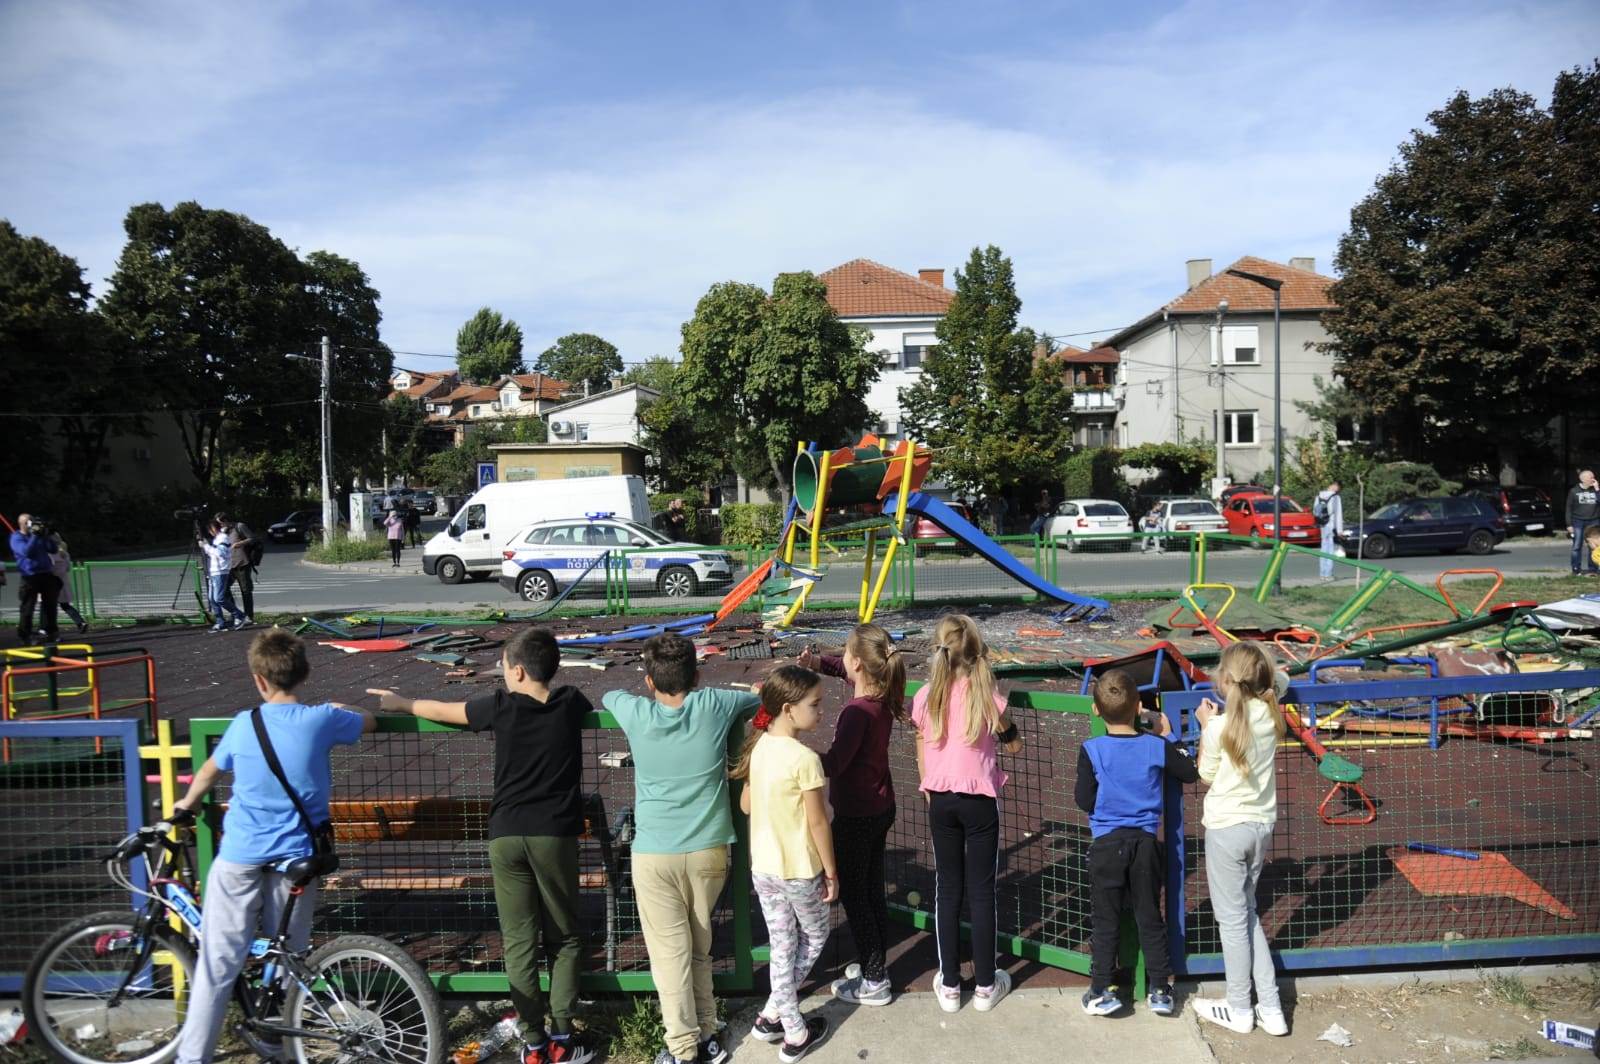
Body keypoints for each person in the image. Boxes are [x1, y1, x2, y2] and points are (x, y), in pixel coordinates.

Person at [368, 629, 596, 1064]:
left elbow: (442, 710)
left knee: (519, 939)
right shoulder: (571, 702)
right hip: (554, 833)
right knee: (564, 936)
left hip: (506, 833)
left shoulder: (500, 706)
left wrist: (401, 703)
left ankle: (533, 1041)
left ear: (518, 671)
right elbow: (578, 707)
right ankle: (563, 1037)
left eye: (503, 667)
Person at [170, 629, 375, 1064]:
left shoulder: (244, 724)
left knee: (217, 964)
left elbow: (208, 772)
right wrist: (341, 706)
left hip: (241, 854)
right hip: (297, 857)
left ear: (258, 679)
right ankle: (280, 1041)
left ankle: (193, 1057)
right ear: (304, 673)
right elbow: (369, 720)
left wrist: (186, 805)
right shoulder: (321, 719)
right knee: (291, 954)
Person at [601, 634, 759, 1064]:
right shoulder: (716, 704)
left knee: (670, 957)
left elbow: (609, 694)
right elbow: (754, 701)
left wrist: (642, 691)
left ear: (650, 681)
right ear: (697, 675)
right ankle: (707, 1033)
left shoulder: (636, 711)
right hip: (709, 849)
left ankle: (683, 1048)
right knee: (698, 949)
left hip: (655, 853)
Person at [912, 613, 1023, 1013]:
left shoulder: (926, 695)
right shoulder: (985, 695)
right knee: (981, 891)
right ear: (977, 653)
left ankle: (950, 984)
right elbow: (1013, 745)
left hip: (941, 797)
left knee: (947, 888)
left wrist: (928, 783)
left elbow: (921, 739)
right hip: (979, 800)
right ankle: (986, 985)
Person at [1074, 669, 1196, 1018]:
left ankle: (1101, 988)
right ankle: (1159, 989)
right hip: (1145, 843)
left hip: (1107, 843)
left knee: (1105, 919)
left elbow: (1084, 799)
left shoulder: (1092, 749)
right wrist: (1169, 735)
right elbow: (1189, 772)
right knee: (1149, 916)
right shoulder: (1154, 746)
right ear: (1139, 707)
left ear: (1096, 710)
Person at [730, 665, 837, 1062]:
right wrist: (831, 871)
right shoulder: (804, 759)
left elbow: (746, 805)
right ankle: (794, 1030)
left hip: (764, 867)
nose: (821, 711)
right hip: (799, 869)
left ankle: (773, 1014)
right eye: (815, 704)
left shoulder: (759, 748)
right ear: (789, 709)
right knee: (814, 936)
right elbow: (818, 822)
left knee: (781, 945)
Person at [798, 624, 906, 1007]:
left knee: (856, 897)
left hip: (856, 815)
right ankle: (874, 963)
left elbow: (835, 763)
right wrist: (817, 663)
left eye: (844, 653)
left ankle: (875, 979)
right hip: (880, 807)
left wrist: (794, 751)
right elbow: (843, 667)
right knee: (872, 890)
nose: (841, 659)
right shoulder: (883, 693)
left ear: (858, 663)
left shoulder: (856, 713)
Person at [1189, 642, 1289, 1037]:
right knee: (1246, 915)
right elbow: (1278, 680)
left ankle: (1239, 1007)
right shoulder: (1270, 711)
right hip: (1260, 826)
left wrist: (1204, 725)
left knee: (1232, 923)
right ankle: (1271, 1008)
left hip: (1227, 829)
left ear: (1227, 680)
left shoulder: (1218, 728)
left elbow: (1206, 775)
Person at [10, 514, 60, 644]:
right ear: (24, 524)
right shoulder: (16, 537)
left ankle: (51, 632)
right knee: (27, 608)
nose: (33, 523)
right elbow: (27, 552)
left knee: (51, 605)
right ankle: (25, 635)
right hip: (30, 576)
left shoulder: (39, 536)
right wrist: (35, 535)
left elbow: (53, 549)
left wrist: (46, 535)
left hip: (46, 574)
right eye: (30, 521)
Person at [200, 520, 246, 632]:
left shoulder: (222, 538)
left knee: (219, 598)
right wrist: (206, 547)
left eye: (210, 530)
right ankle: (220, 622)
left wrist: (206, 546)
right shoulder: (217, 538)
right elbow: (214, 553)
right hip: (214, 571)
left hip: (221, 571)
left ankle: (240, 616)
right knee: (212, 599)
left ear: (214, 529)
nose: (210, 532)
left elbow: (221, 553)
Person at [220, 513, 258, 625]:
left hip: (242, 563)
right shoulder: (222, 532)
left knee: (246, 591)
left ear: (226, 520)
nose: (220, 525)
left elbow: (253, 538)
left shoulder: (239, 526)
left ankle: (249, 616)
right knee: (224, 589)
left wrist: (240, 543)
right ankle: (235, 614)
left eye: (221, 523)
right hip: (228, 565)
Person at [49, 535, 89, 635]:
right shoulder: (64, 553)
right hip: (62, 582)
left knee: (48, 607)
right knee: (65, 605)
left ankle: (49, 629)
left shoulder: (48, 554)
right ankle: (80, 622)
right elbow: (67, 568)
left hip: (50, 583)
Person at [1567, 470, 1600, 576]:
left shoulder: (1596, 490)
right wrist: (1569, 524)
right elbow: (1568, 508)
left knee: (1594, 546)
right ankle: (1576, 569)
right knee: (1577, 546)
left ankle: (1593, 569)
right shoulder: (1574, 491)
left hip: (1594, 520)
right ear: (1583, 479)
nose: (1593, 479)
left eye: (1593, 477)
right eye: (1591, 477)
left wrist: (1597, 489)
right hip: (1578, 521)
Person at [1313, 481, 1343, 581]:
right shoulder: (1335, 497)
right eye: (1338, 486)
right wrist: (1340, 530)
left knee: (1323, 549)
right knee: (1330, 550)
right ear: (1335, 486)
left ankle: (1322, 574)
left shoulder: (1319, 495)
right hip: (1331, 526)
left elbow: (1315, 511)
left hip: (1322, 525)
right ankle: (1328, 575)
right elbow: (1338, 514)